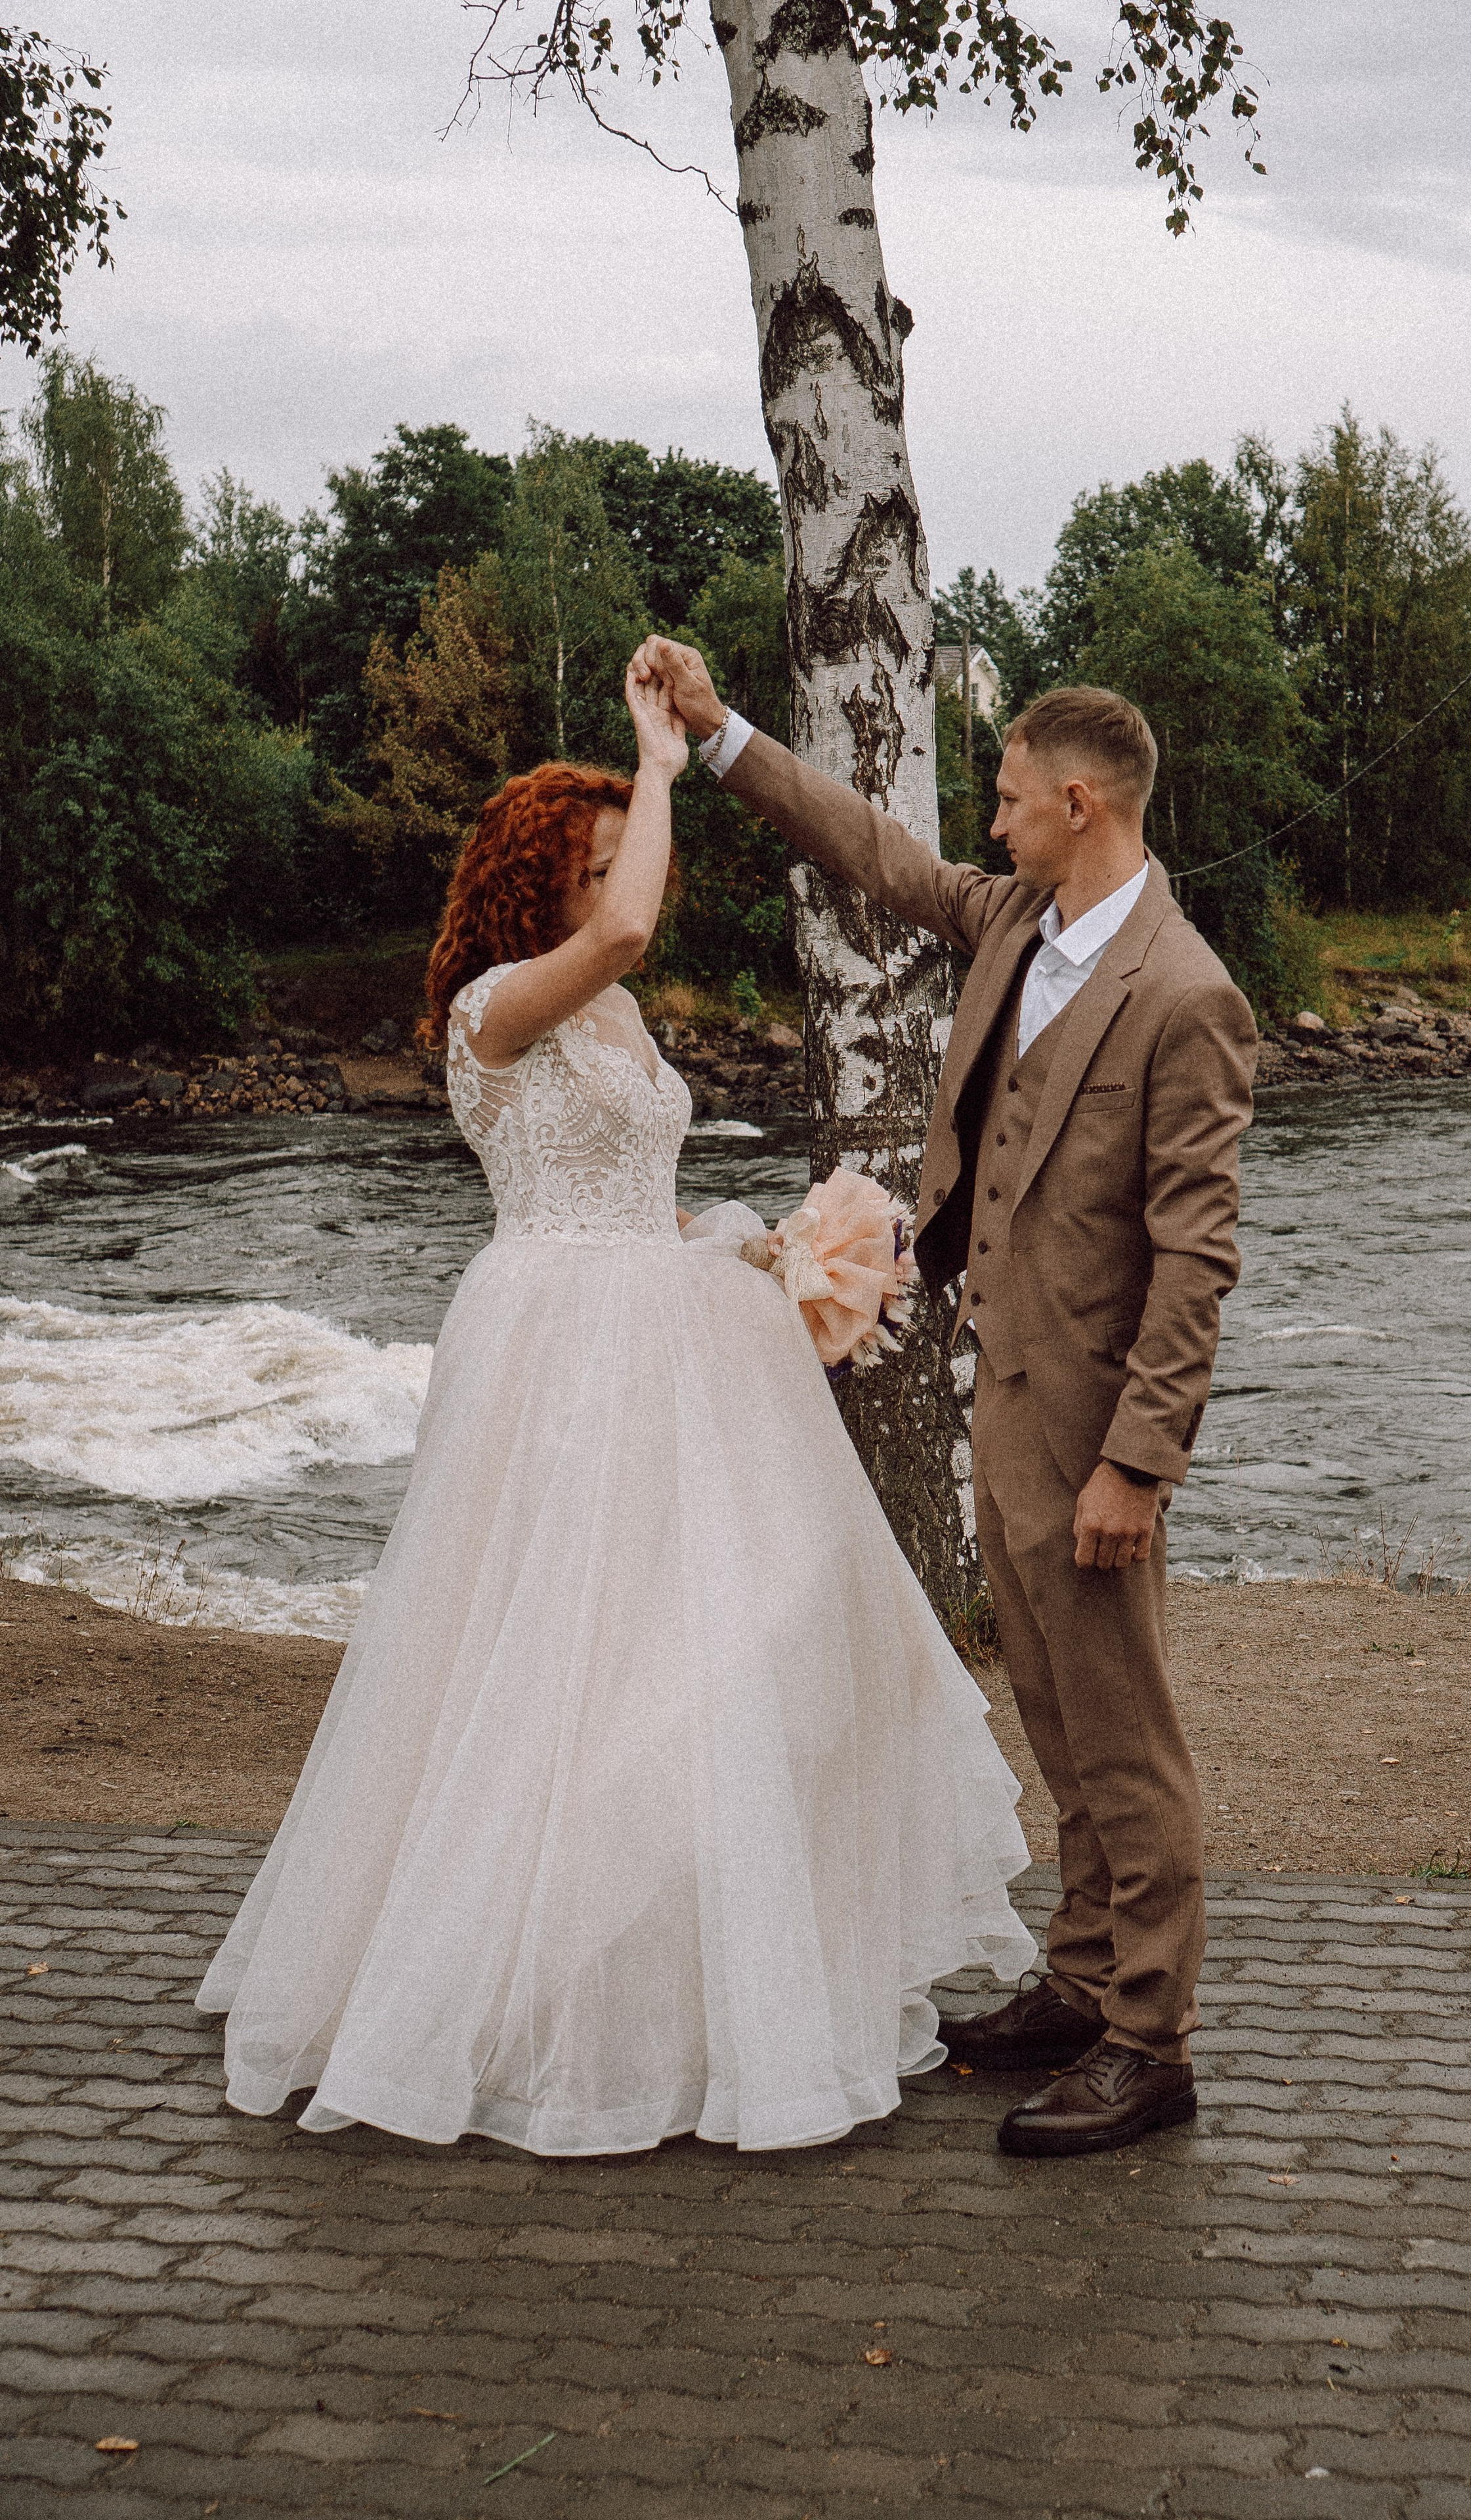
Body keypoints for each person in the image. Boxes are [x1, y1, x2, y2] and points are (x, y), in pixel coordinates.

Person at [196, 656, 1036, 2157]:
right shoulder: (495, 1011)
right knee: (542, 1651)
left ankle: (688, 1982)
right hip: (555, 1345)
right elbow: (638, 925)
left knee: (695, 1641)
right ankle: (502, 1982)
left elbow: (639, 1189)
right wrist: (661, 761)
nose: (612, 886)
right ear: (535, 885)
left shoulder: (626, 1019)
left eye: (612, 858)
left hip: (660, 1322)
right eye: (582, 867)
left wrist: (757, 1247)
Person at [637, 639, 1258, 2158]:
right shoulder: (1012, 920)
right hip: (1003, 1393)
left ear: (1078, 799)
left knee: (1126, 1735)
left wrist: (1135, 1468)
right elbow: (873, 852)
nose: (984, 825)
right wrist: (722, 738)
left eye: (1003, 800)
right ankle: (1080, 1976)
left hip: (1094, 1427)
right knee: (1050, 1706)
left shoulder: (1186, 996)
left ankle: (1149, 2042)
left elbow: (1195, 1260)